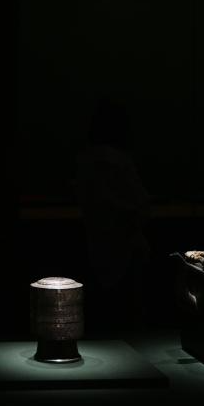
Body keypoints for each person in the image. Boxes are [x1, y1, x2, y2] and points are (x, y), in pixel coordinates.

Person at [75, 97, 150, 333]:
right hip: (121, 241)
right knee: (124, 309)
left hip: (102, 240)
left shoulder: (88, 160)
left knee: (107, 307)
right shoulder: (113, 162)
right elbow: (131, 201)